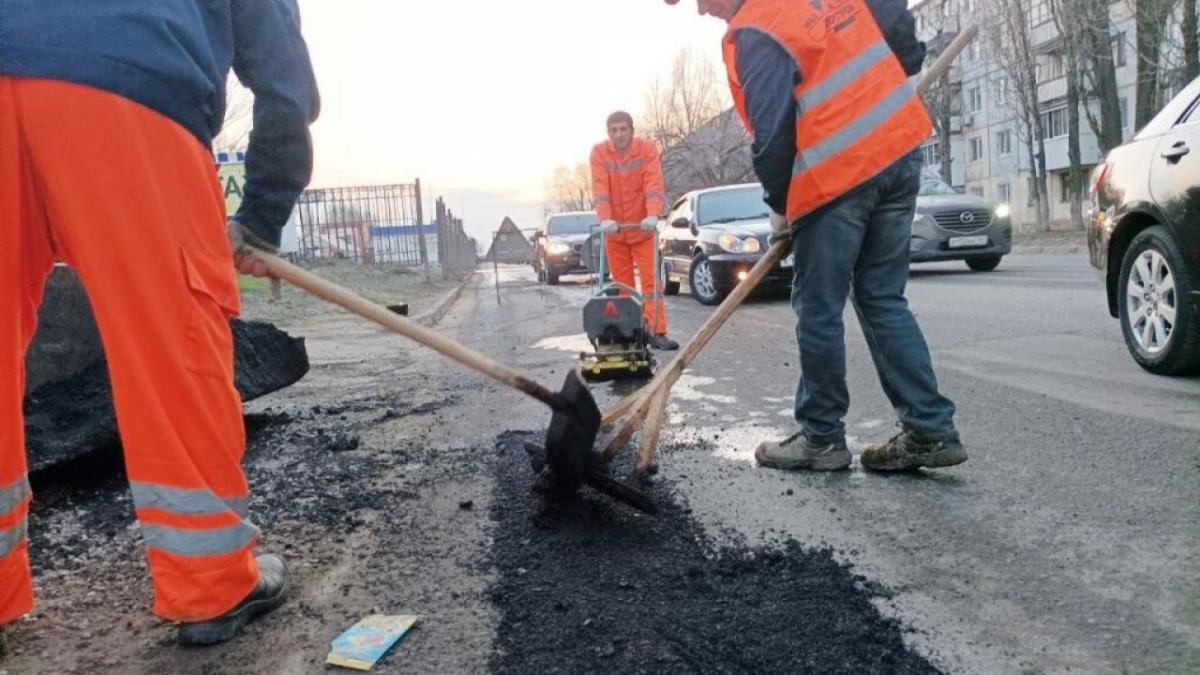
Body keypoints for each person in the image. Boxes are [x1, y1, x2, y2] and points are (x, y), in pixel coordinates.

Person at [0, 0, 319, 647]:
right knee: (172, 339)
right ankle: (211, 583)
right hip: (127, 82)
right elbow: (283, 82)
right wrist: (261, 216)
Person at [664, 0, 966, 472]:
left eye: (700, 0)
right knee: (882, 298)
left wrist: (780, 206)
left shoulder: (757, 29)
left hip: (838, 173)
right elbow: (892, 15)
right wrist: (901, 64)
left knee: (819, 308)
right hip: (898, 149)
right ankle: (930, 430)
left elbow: (773, 132)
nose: (702, 11)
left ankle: (822, 437)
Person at [590, 112, 679, 351]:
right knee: (623, 287)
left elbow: (653, 183)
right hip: (616, 232)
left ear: (632, 130)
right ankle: (626, 332)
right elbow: (600, 189)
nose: (619, 134)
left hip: (642, 229)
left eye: (623, 129)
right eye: (614, 130)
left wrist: (653, 213)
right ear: (608, 133)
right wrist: (605, 219)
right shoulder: (599, 153)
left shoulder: (646, 150)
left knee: (651, 285)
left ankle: (657, 331)